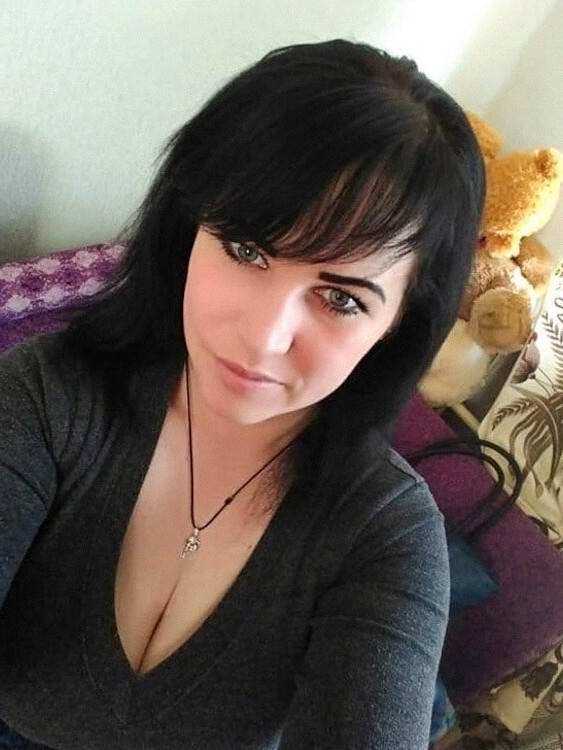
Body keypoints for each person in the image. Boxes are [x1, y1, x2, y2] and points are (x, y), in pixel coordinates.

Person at [0, 39, 484, 749]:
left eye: (341, 298)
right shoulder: (46, 396)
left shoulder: (388, 538)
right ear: (188, 225)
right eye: (246, 250)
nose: (263, 337)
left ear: (397, 325)